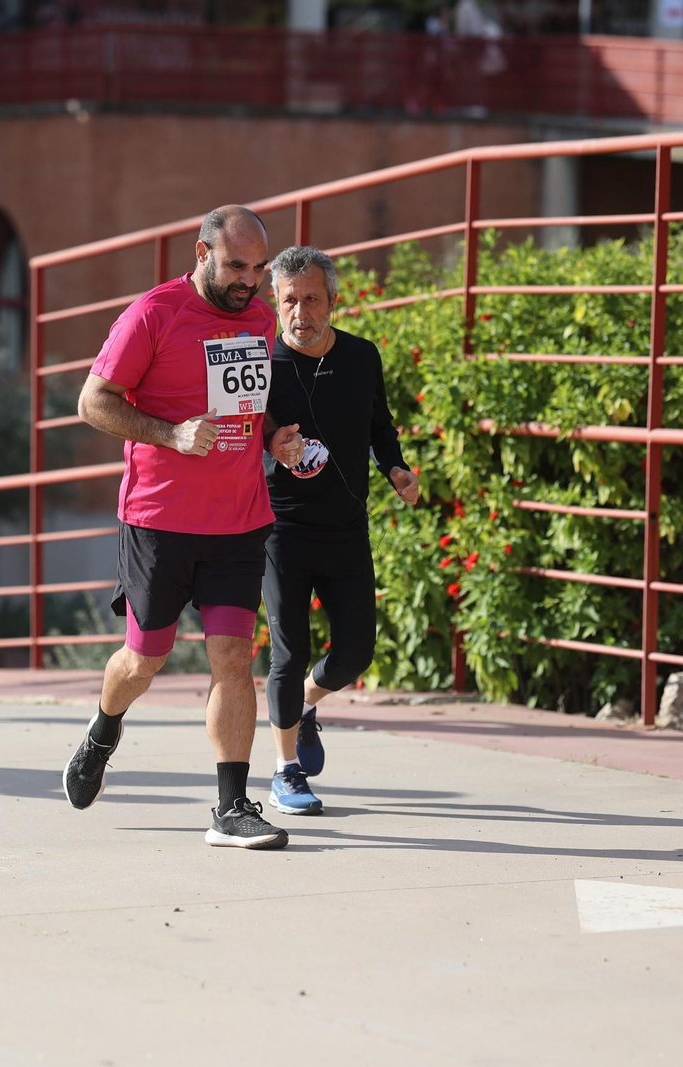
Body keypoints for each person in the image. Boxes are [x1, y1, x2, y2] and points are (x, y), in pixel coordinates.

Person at [64, 204, 306, 850]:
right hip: (159, 519)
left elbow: (255, 401)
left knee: (233, 656)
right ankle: (104, 726)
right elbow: (92, 401)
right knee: (145, 658)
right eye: (235, 266)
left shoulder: (257, 315)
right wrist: (170, 432)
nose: (249, 281)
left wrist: (278, 437)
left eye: (258, 268)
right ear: (201, 254)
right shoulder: (153, 314)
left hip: (238, 518)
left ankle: (232, 806)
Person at [260, 246, 419, 815]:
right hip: (281, 531)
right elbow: (235, 439)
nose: (299, 312)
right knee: (288, 652)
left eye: (310, 299)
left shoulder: (360, 356)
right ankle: (285, 771)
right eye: (287, 301)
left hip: (347, 527)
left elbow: (380, 426)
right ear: (274, 303)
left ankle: (304, 706)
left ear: (332, 301)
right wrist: (270, 446)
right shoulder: (261, 363)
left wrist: (395, 467)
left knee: (355, 652)